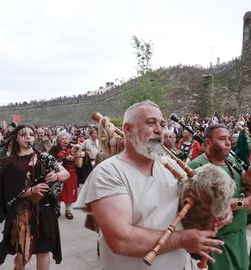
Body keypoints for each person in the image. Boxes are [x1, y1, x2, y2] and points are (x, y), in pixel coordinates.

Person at [81, 101, 231, 270]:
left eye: (162, 124)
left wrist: (218, 206)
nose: (159, 129)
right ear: (128, 129)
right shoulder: (107, 173)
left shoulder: (169, 164)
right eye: (150, 123)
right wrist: (181, 239)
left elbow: (194, 201)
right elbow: (121, 240)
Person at [189, 123, 251, 270]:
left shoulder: (232, 162)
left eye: (229, 138)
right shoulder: (197, 167)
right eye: (222, 138)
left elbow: (244, 191)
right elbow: (210, 205)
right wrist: (246, 201)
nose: (228, 142)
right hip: (216, 242)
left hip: (238, 236)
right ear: (208, 141)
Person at [0, 124, 70, 269]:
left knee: (43, 251)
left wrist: (56, 176)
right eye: (23, 134)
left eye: (31, 134)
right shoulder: (9, 162)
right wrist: (31, 190)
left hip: (45, 210)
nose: (28, 137)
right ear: (16, 139)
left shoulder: (44, 157)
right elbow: (6, 192)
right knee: (22, 253)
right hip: (22, 213)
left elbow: (66, 174)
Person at [49, 131, 80, 220]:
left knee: (70, 192)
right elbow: (52, 161)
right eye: (62, 138)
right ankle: (57, 208)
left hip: (71, 174)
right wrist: (65, 159)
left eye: (66, 138)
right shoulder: (54, 149)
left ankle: (68, 210)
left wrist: (81, 154)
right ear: (58, 140)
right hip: (60, 174)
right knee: (60, 192)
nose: (65, 140)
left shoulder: (72, 147)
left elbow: (80, 155)